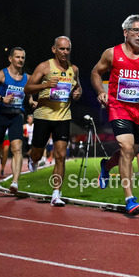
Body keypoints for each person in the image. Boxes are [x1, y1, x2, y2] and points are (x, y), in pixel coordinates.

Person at [90, 14, 139, 214]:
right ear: (126, 32)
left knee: (130, 153)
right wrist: (100, 92)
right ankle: (130, 199)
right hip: (118, 107)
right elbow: (96, 72)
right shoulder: (112, 53)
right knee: (126, 146)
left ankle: (106, 166)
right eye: (136, 30)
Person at [25, 36, 82, 207]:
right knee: (36, 152)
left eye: (68, 49)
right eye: (62, 49)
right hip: (43, 116)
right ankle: (33, 159)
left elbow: (77, 87)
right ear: (54, 49)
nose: (65, 52)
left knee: (61, 155)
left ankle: (56, 193)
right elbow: (27, 88)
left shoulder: (74, 69)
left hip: (63, 117)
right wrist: (46, 85)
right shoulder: (44, 66)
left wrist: (77, 93)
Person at [0, 48, 29, 193]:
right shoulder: (1, 75)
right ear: (10, 59)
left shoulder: (27, 78)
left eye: (22, 57)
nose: (20, 60)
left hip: (16, 116)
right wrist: (2, 98)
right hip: (1, 115)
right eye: (17, 57)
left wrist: (33, 99)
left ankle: (15, 182)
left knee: (16, 149)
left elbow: (33, 90)